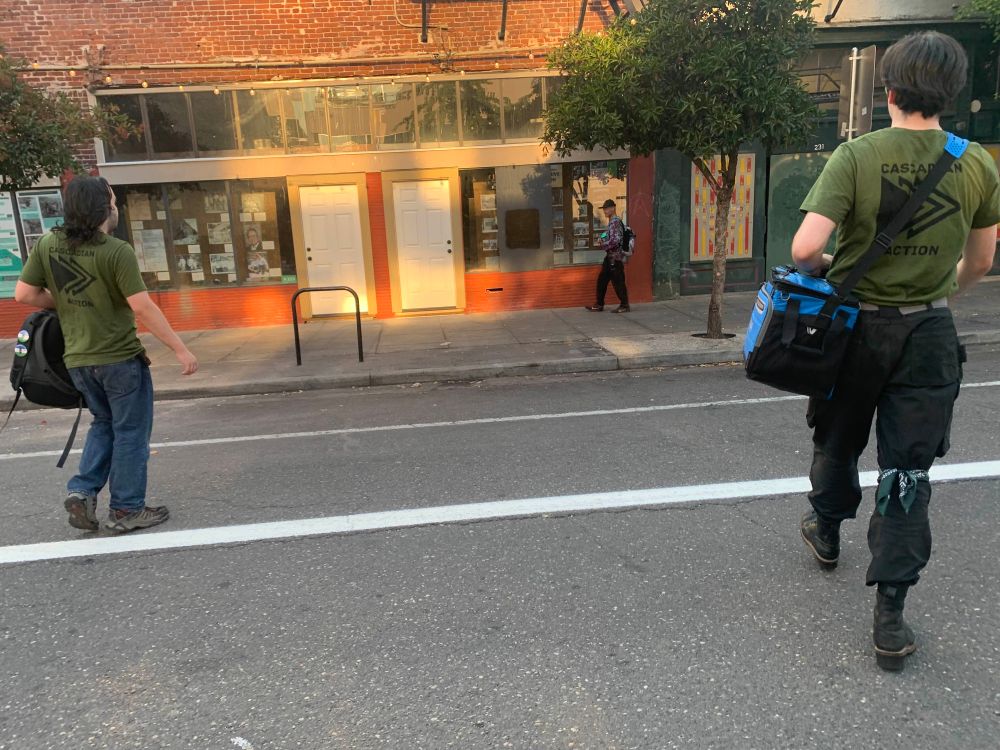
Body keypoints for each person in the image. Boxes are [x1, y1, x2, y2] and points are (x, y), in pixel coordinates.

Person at [790, 31, 998, 671]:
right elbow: (982, 262)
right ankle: (890, 618)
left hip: (856, 331)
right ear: (950, 93)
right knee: (908, 472)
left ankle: (827, 531)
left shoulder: (857, 156)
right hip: (929, 335)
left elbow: (804, 250)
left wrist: (834, 266)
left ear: (888, 90)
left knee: (837, 438)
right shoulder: (978, 163)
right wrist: (935, 292)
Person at [14, 177, 199, 534]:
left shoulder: (48, 244)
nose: (116, 207)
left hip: (78, 360)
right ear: (103, 208)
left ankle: (82, 491)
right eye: (112, 201)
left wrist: (64, 302)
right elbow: (141, 307)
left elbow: (24, 294)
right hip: (119, 359)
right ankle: (127, 509)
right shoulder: (116, 251)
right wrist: (180, 348)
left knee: (103, 423)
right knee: (130, 431)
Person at [585, 199, 630, 313]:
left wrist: (603, 244)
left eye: (606, 208)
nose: (604, 211)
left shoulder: (615, 222)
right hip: (610, 258)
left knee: (618, 282)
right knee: (602, 281)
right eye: (604, 209)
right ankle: (599, 304)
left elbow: (615, 241)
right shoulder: (612, 222)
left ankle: (624, 305)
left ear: (613, 208)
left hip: (615, 258)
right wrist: (603, 237)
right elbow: (610, 236)